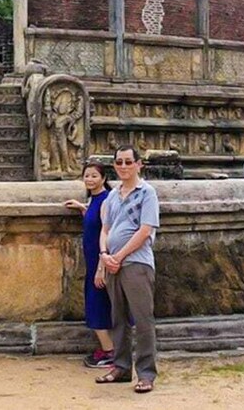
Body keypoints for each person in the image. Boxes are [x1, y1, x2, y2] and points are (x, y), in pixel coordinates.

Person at [94, 145, 159, 394]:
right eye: (119, 162)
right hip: (113, 263)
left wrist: (118, 255)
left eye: (128, 162)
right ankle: (120, 366)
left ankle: (146, 373)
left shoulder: (147, 193)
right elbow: (105, 229)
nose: (123, 166)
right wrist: (104, 255)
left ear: (138, 164)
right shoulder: (112, 196)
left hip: (136, 262)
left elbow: (145, 230)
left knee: (143, 319)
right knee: (117, 318)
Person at [64, 160, 114, 368]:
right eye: (87, 176)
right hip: (93, 259)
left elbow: (108, 230)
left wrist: (101, 268)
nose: (90, 179)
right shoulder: (95, 200)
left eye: (94, 176)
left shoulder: (106, 200)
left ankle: (109, 351)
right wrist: (82, 208)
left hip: (101, 261)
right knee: (98, 303)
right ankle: (108, 348)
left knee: (96, 305)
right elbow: (95, 219)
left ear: (103, 178)